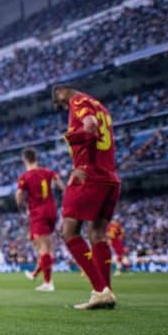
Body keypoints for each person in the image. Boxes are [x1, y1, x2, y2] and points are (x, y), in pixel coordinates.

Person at [52, 85, 120, 310]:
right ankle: (106, 293)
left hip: (87, 174)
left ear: (61, 93)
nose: (63, 107)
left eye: (61, 104)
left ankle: (99, 289)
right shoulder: (102, 107)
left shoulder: (78, 101)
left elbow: (90, 128)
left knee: (68, 231)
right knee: (98, 234)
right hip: (109, 176)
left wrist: (70, 136)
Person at [16, 147, 64, 291]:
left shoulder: (25, 176)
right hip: (51, 211)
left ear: (25, 159)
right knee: (47, 248)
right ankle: (36, 274)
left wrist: (23, 207)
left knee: (43, 248)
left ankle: (48, 282)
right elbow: (61, 185)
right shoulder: (48, 172)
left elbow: (18, 195)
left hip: (38, 213)